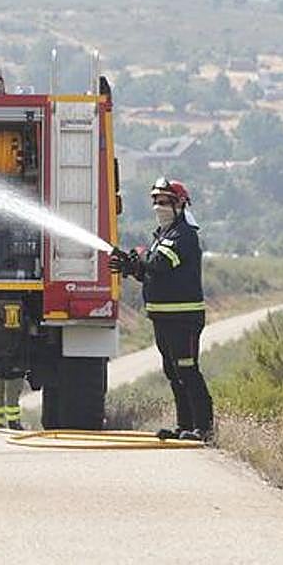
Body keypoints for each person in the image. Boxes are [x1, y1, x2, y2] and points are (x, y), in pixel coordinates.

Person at [110, 177, 215, 442]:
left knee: (188, 370)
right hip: (162, 317)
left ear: (180, 205)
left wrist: (138, 254)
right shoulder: (163, 235)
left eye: (165, 201)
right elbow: (151, 273)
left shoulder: (184, 236)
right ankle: (184, 426)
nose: (159, 206)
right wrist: (131, 267)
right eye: (156, 201)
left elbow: (160, 263)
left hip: (183, 318)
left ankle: (204, 429)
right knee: (174, 373)